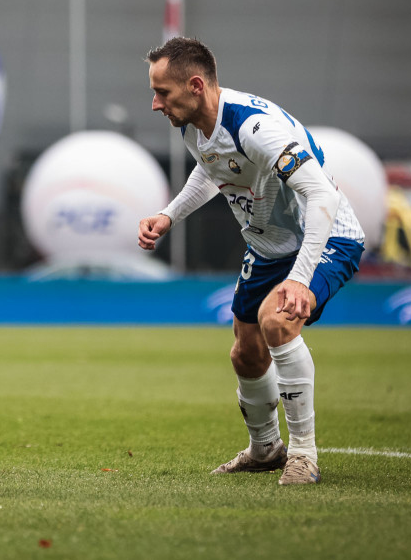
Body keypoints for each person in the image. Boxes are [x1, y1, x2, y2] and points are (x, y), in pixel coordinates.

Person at [138, 38, 365, 485]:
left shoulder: (255, 128)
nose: (154, 104)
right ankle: (265, 450)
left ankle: (304, 455)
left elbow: (322, 194)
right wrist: (170, 214)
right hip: (267, 247)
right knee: (245, 352)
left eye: (162, 92)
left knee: (276, 321)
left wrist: (300, 279)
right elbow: (212, 168)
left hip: (326, 237)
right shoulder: (192, 124)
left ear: (196, 85)